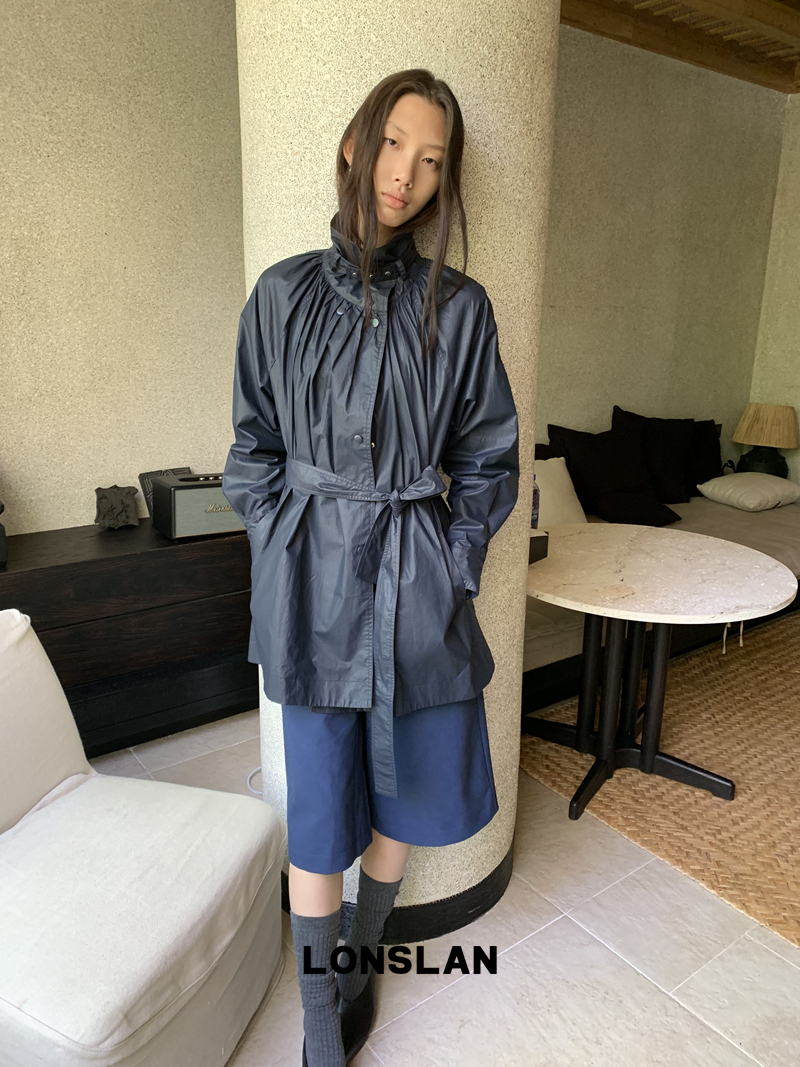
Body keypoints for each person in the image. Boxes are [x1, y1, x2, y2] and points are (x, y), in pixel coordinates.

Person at [222, 68, 519, 1067]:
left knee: (405, 794)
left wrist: (454, 560)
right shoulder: (279, 296)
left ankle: (361, 956)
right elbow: (252, 449)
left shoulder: (461, 310)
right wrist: (283, 547)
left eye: (430, 160)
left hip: (416, 581)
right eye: (393, 144)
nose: (405, 174)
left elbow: (488, 457)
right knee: (318, 811)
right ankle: (319, 1023)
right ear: (354, 145)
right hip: (310, 588)